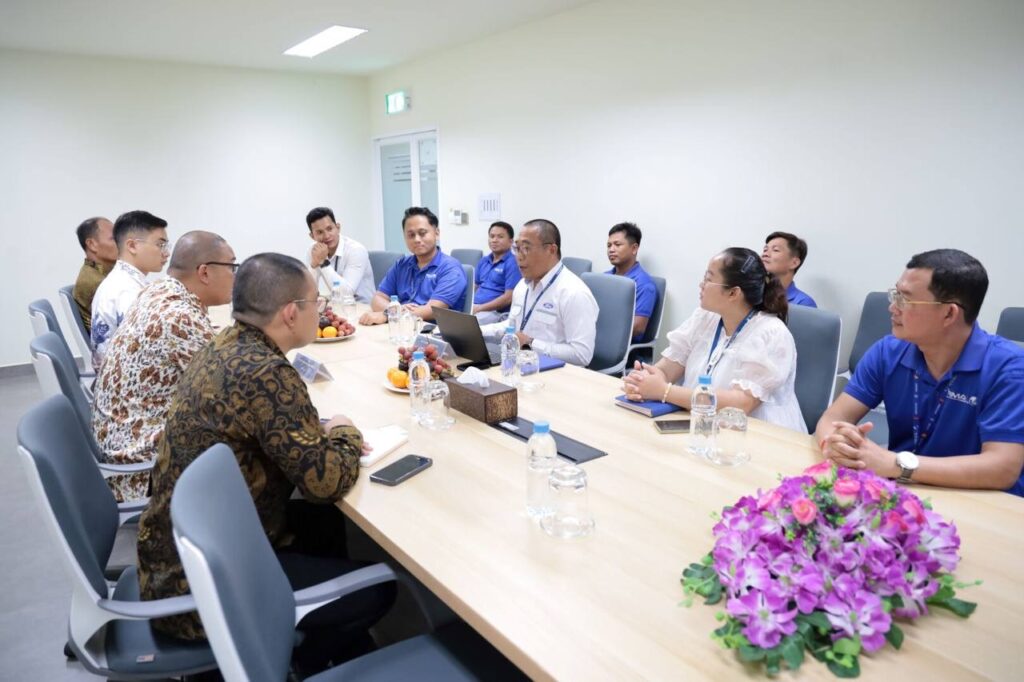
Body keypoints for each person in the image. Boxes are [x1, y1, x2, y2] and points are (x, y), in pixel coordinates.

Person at [136, 253, 395, 671]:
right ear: (291, 313)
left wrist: (315, 430)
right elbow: (325, 482)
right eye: (316, 302)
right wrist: (345, 431)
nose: (321, 310)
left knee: (325, 522)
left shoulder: (226, 345)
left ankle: (325, 644)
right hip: (201, 593)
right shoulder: (265, 373)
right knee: (380, 588)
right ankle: (299, 661)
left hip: (174, 558)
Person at [816, 249, 1024, 495]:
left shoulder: (1009, 369)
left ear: (949, 313)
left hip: (981, 499)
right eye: (895, 295)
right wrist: (834, 445)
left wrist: (895, 464)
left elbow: (1002, 468)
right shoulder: (888, 351)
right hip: (904, 491)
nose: (893, 307)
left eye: (905, 299)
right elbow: (833, 418)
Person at [92, 231, 236, 503]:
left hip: (125, 441)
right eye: (232, 266)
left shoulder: (159, 291)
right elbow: (232, 391)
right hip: (144, 469)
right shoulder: (178, 316)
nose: (235, 276)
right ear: (204, 272)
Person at [623, 247, 805, 432]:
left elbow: (741, 403)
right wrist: (642, 382)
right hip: (702, 424)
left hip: (756, 434)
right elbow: (666, 369)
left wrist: (664, 391)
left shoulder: (771, 333)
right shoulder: (706, 317)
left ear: (733, 293)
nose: (701, 285)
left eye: (708, 279)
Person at [481, 219, 599, 366]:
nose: (519, 256)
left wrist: (531, 343)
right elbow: (512, 326)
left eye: (526, 248)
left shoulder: (574, 293)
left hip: (556, 371)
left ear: (551, 250)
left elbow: (582, 355)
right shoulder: (522, 286)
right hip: (520, 364)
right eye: (517, 248)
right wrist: (478, 331)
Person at [90, 210, 169, 371]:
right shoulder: (127, 291)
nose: (166, 253)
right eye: (160, 245)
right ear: (132, 246)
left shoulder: (124, 280)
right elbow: (151, 349)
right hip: (124, 380)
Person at [359, 206, 466, 324]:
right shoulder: (401, 265)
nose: (417, 239)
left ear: (436, 233)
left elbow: (432, 310)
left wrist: (389, 314)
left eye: (422, 233)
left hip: (432, 330)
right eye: (411, 235)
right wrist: (396, 310)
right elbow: (378, 299)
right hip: (401, 326)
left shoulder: (451, 268)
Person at [306, 206, 375, 303]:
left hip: (362, 306)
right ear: (312, 236)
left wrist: (323, 262)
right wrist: (313, 265)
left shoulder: (356, 250)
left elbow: (346, 294)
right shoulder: (314, 250)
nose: (327, 236)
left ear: (338, 228)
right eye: (320, 232)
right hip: (337, 305)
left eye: (329, 229)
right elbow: (308, 292)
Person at [605, 222, 658, 341]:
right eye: (609, 245)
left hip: (622, 346)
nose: (611, 250)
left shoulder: (644, 285)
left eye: (617, 245)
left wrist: (601, 332)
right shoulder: (604, 278)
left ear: (634, 248)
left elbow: (637, 328)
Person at [72, 216, 118, 334]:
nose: (121, 243)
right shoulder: (96, 282)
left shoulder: (102, 273)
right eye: (114, 238)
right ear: (92, 244)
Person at [472, 221, 522, 324]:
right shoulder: (484, 261)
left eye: (500, 237)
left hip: (495, 312)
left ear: (511, 241)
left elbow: (509, 297)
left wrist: (479, 308)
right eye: (492, 236)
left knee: (466, 325)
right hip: (475, 308)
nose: (494, 240)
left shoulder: (513, 263)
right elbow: (474, 287)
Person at [761, 231, 817, 308]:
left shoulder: (803, 303)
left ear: (794, 263)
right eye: (765, 250)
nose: (765, 254)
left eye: (775, 250)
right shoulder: (753, 295)